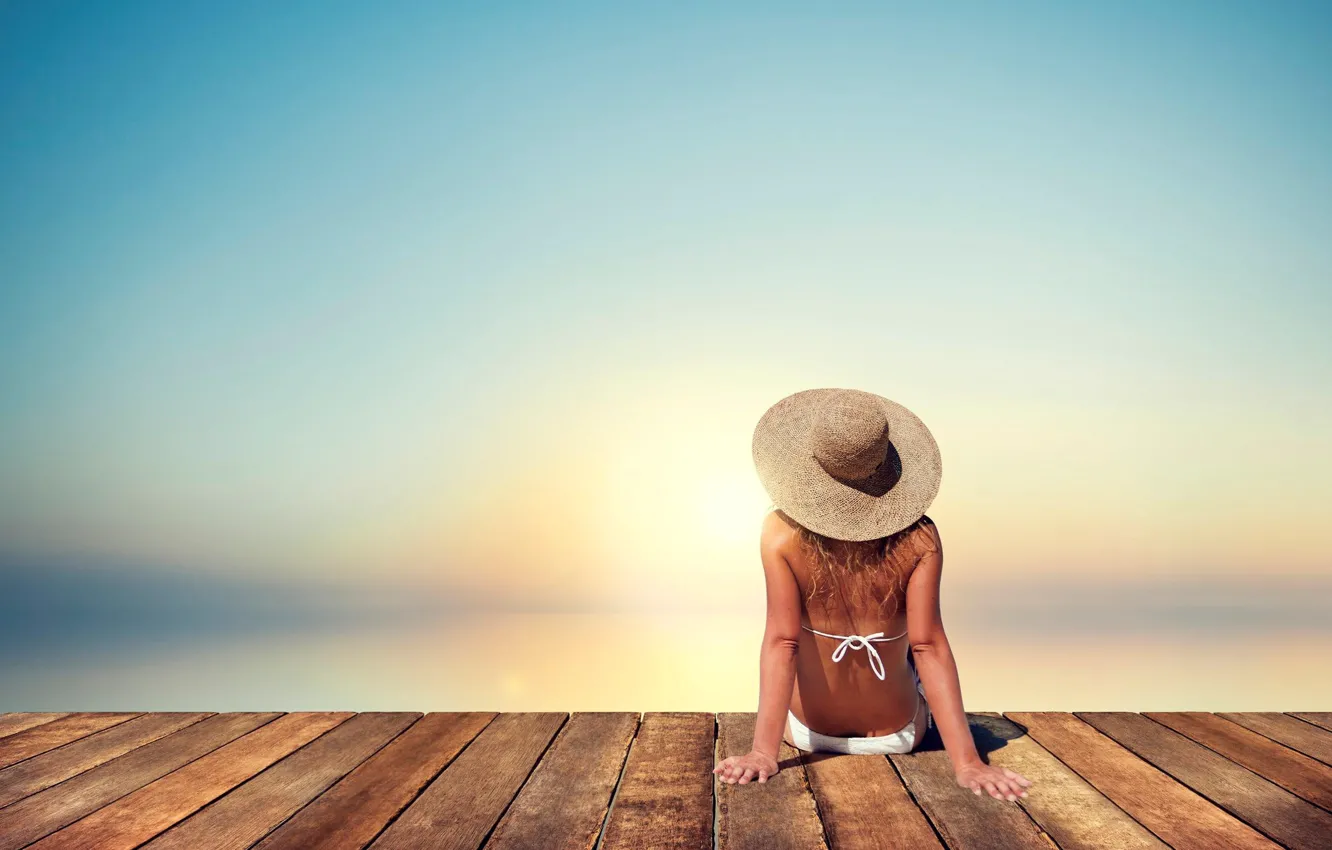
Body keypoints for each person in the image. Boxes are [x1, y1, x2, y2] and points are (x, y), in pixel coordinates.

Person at [713, 388, 1033, 802]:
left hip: (808, 734)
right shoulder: (920, 538)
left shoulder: (779, 534)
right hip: (899, 734)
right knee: (912, 657)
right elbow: (929, 646)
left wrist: (762, 753)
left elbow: (782, 642)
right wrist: (969, 764)